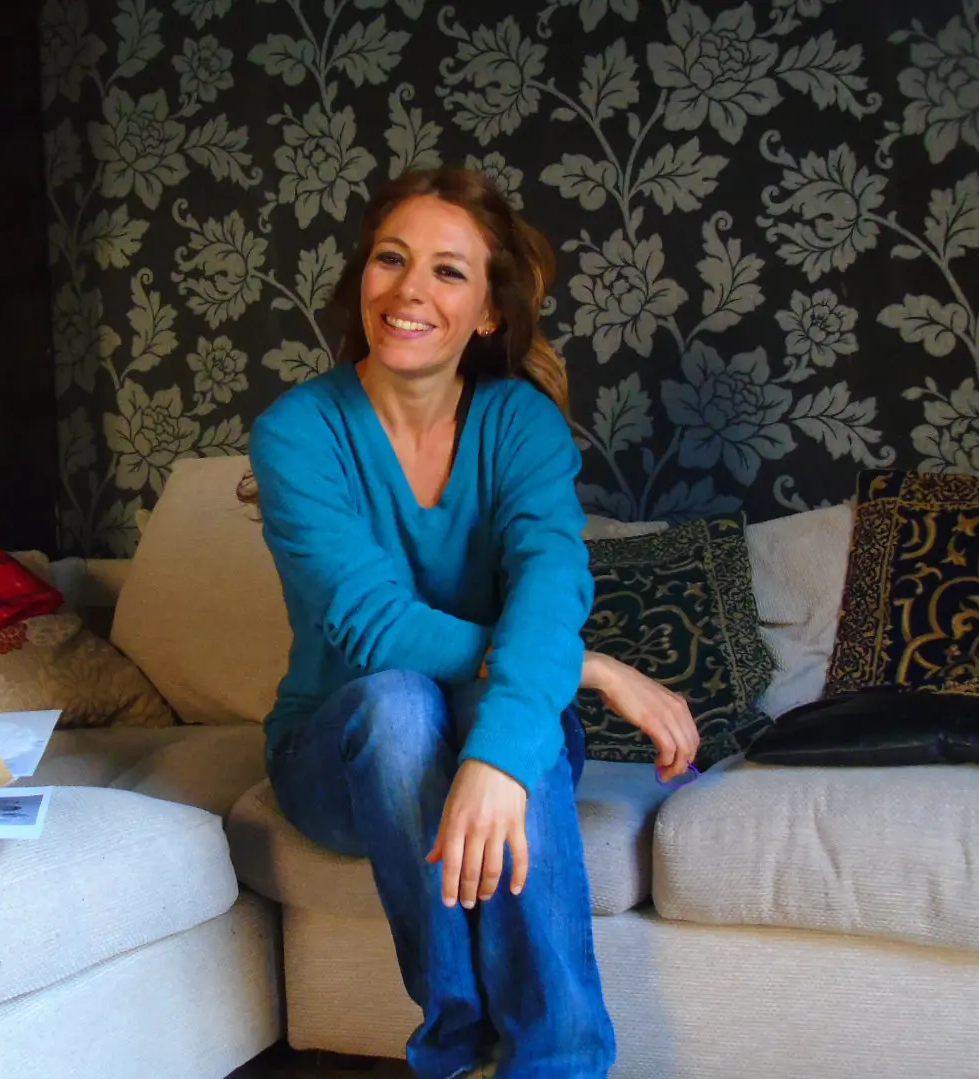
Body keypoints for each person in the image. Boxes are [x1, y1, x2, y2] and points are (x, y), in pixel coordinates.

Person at [244, 166, 700, 1079]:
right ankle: (462, 1044)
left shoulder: (519, 422)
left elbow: (549, 585)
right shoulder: (298, 430)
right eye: (390, 259)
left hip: (498, 719)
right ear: (362, 281)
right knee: (400, 700)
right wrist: (588, 670)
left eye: (448, 271)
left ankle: (556, 1065)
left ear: (488, 311)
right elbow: (372, 626)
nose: (410, 289)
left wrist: (494, 755)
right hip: (340, 755)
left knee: (506, 732)